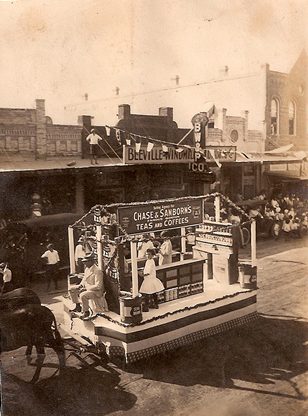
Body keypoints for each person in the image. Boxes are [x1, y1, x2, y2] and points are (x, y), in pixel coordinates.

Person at [69, 252, 105, 320]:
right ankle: (77, 306)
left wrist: (86, 289)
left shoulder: (97, 271)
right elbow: (84, 279)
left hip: (96, 292)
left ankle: (86, 311)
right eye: (84, 262)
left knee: (83, 295)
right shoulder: (87, 269)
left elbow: (98, 286)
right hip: (87, 288)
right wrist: (80, 285)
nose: (84, 263)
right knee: (71, 289)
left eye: (86, 262)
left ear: (92, 261)